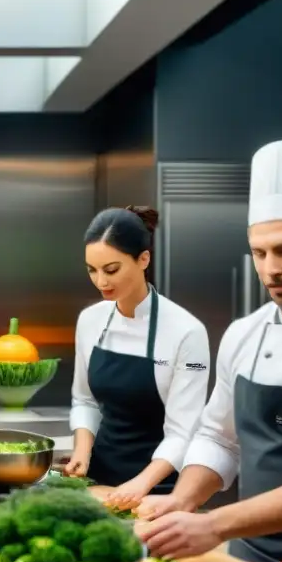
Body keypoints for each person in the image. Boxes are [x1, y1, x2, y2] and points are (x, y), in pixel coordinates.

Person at [136, 139, 282, 562]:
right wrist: (183, 501)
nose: (270, 270)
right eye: (259, 252)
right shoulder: (244, 333)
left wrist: (213, 525)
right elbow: (219, 439)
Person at [64, 206, 210, 510]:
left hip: (159, 490)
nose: (101, 281)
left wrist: (140, 485)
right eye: (92, 269)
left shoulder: (187, 332)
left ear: (143, 259)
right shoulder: (90, 320)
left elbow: (184, 432)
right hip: (98, 483)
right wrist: (82, 451)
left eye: (111, 269)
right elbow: (85, 400)